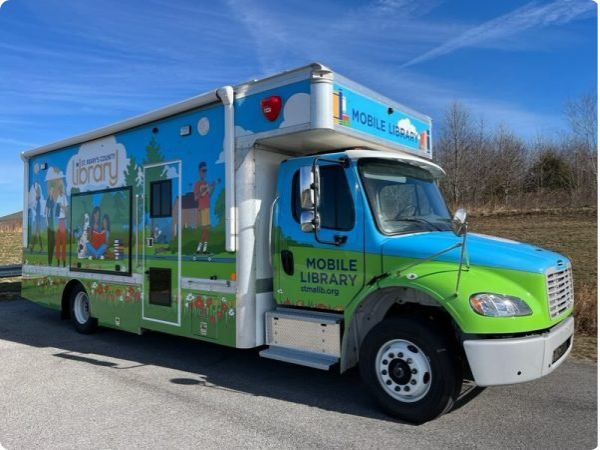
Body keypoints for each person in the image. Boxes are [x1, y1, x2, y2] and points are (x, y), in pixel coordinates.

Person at [193, 162, 219, 254]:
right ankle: (200, 248)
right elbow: (196, 197)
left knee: (207, 229)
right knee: (205, 228)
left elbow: (209, 196)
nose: (204, 172)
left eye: (205, 170)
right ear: (199, 171)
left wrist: (213, 187)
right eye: (203, 170)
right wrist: (202, 192)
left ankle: (203, 249)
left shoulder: (206, 183)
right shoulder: (198, 184)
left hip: (207, 207)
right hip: (202, 208)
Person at [54, 181, 68, 267]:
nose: (59, 190)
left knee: (63, 243)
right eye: (58, 188)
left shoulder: (64, 197)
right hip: (58, 221)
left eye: (60, 188)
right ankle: (58, 261)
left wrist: (62, 206)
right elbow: (56, 211)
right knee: (58, 243)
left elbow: (66, 210)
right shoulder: (58, 197)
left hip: (62, 220)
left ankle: (63, 261)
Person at [45, 185, 55, 265]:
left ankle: (51, 260)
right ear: (49, 191)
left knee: (53, 241)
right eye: (51, 191)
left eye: (53, 191)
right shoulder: (48, 200)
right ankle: (49, 261)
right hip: (49, 221)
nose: (52, 192)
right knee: (50, 242)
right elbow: (46, 212)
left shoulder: (52, 200)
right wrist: (47, 224)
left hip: (53, 222)